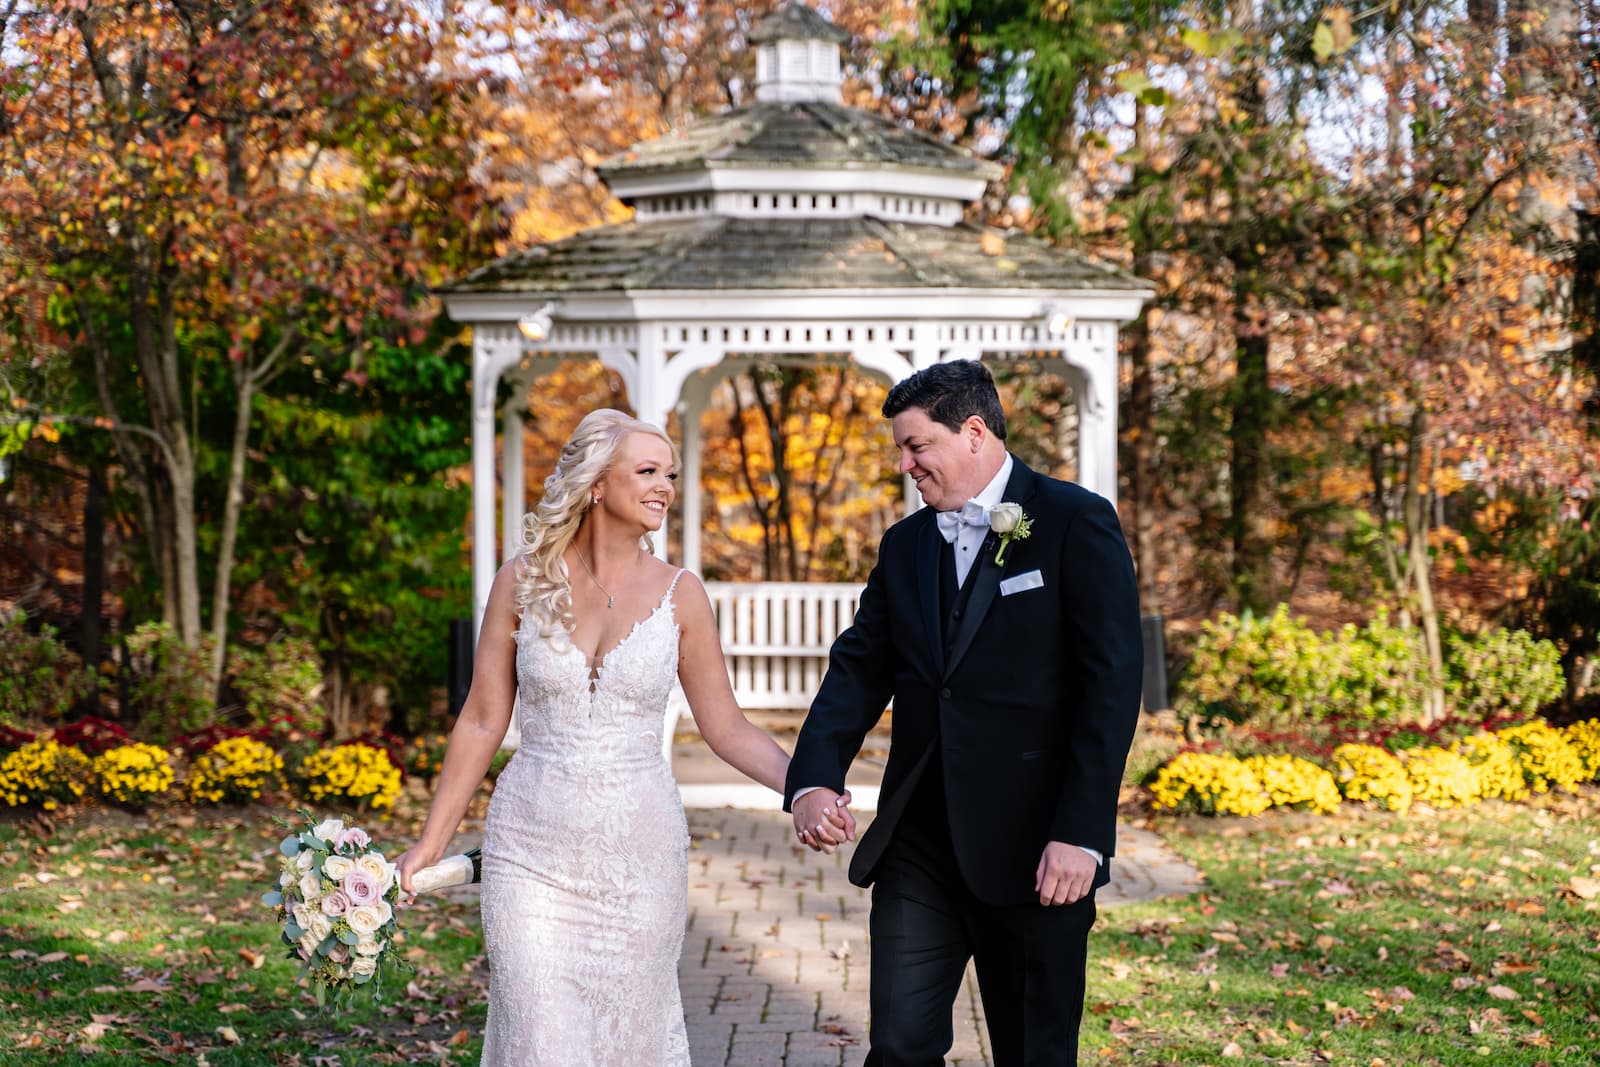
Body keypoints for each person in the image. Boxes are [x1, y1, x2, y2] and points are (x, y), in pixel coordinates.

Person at [395, 409, 796, 1067]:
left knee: (629, 1039)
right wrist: (430, 840)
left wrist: (807, 785)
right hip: (529, 852)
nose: (664, 485)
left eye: (669, 473)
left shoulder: (681, 594)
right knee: (538, 1036)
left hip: (639, 857)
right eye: (647, 471)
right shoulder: (519, 581)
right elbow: (481, 717)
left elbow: (725, 726)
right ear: (596, 485)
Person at [786, 360, 1143, 1067]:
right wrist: (813, 778)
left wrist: (1082, 831)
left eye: (916, 445)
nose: (904, 464)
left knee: (1032, 1051)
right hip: (919, 841)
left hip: (1040, 847)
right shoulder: (905, 545)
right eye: (899, 448)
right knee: (897, 1045)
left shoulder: (1077, 522)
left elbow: (1111, 686)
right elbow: (860, 668)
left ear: (974, 431)